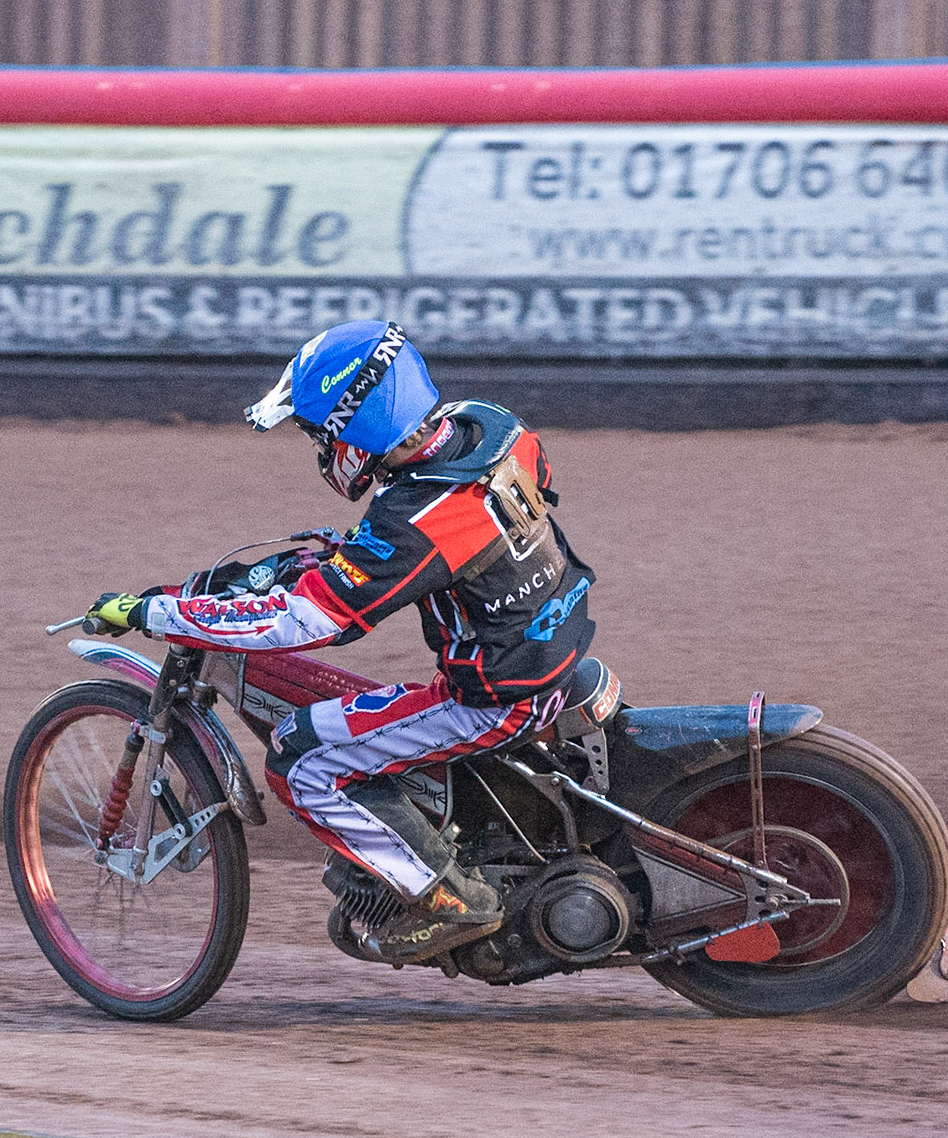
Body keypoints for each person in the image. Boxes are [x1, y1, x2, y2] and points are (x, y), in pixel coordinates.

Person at [84, 320, 596, 959]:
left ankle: (446, 898)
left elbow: (310, 622)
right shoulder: (488, 429)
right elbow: (465, 525)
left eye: (318, 434)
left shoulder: (419, 520)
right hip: (554, 642)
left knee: (301, 760)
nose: (319, 449)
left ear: (355, 431)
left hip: (497, 695)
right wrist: (319, 561)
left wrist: (154, 613)